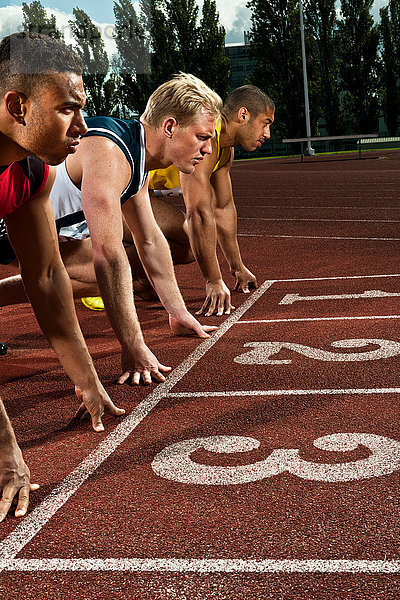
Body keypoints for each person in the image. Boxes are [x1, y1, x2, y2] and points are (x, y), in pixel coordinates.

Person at [0, 73, 220, 388]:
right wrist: (133, 346)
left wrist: (178, 311)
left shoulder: (138, 155)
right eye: (202, 136)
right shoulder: (111, 152)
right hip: (11, 217)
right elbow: (109, 253)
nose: (209, 149)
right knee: (98, 270)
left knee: (108, 274)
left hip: (44, 224)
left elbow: (149, 239)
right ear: (170, 127)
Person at [0, 32, 124, 522]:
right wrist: (6, 450)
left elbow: (48, 275)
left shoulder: (31, 173)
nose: (84, 125)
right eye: (68, 109)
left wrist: (87, 380)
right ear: (18, 106)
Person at [147, 85, 275, 316]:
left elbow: (223, 208)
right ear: (243, 115)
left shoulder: (226, 151)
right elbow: (198, 212)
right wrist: (213, 280)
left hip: (142, 192)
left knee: (187, 249)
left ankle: (139, 280)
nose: (267, 134)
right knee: (187, 234)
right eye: (265, 123)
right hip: (122, 189)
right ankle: (100, 277)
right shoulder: (207, 137)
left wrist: (237, 268)